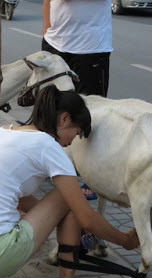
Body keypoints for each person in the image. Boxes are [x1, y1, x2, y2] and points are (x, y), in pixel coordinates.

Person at [0, 85, 140, 278]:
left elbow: (17, 198)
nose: (72, 142)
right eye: (76, 133)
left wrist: (55, 218)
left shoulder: (2, 133)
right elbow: (86, 218)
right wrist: (125, 241)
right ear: (64, 119)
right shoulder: (48, 145)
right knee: (68, 197)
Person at [42, 0, 112, 200]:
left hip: (91, 47)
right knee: (49, 105)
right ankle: (51, 164)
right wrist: (47, 30)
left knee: (91, 111)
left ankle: (90, 177)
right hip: (55, 43)